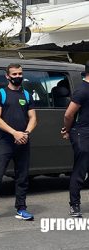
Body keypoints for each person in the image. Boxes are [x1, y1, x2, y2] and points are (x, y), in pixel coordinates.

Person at [0, 63, 37, 223]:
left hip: (23, 142)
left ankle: (21, 208)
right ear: (7, 76)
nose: (18, 76)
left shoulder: (26, 94)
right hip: (4, 142)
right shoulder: (0, 94)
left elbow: (33, 118)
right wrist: (14, 133)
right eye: (14, 74)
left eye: (20, 73)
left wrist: (25, 133)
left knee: (22, 177)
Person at [62, 60, 89, 217]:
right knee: (80, 169)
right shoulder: (82, 91)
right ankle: (75, 205)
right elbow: (68, 114)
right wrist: (68, 128)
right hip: (82, 133)